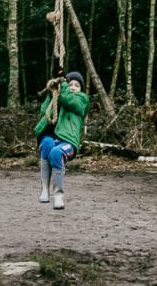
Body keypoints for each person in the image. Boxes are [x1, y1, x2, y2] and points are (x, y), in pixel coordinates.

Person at [34, 69, 90, 210]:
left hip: (68, 141)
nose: (73, 87)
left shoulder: (82, 99)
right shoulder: (59, 95)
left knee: (56, 153)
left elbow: (69, 100)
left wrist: (63, 84)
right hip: (51, 136)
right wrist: (51, 92)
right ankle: (45, 190)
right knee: (47, 143)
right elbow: (43, 111)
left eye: (77, 85)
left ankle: (58, 195)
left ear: (81, 89)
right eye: (71, 84)